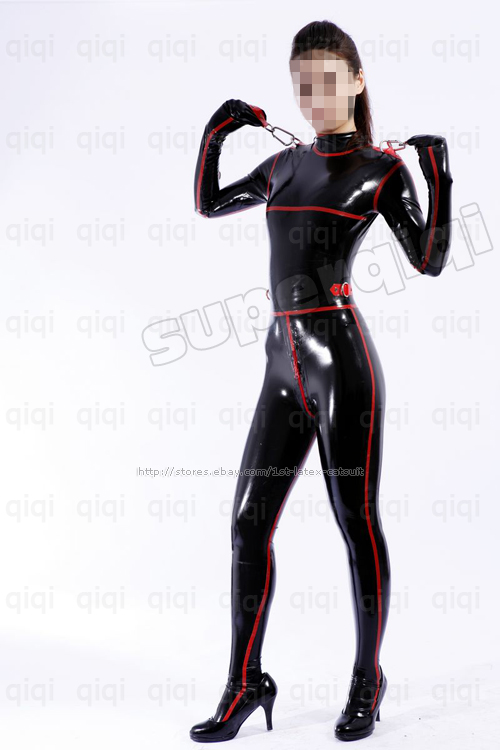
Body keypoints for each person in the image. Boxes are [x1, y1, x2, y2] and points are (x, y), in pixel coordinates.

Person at [189, 19, 452, 743]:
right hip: (281, 365)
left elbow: (429, 260)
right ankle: (246, 683)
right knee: (247, 523)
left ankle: (368, 680)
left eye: (327, 81)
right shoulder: (284, 166)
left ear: (357, 81)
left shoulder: (380, 170)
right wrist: (217, 133)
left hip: (342, 366)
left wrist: (438, 173)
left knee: (354, 522)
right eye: (302, 84)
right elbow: (210, 203)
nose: (313, 96)